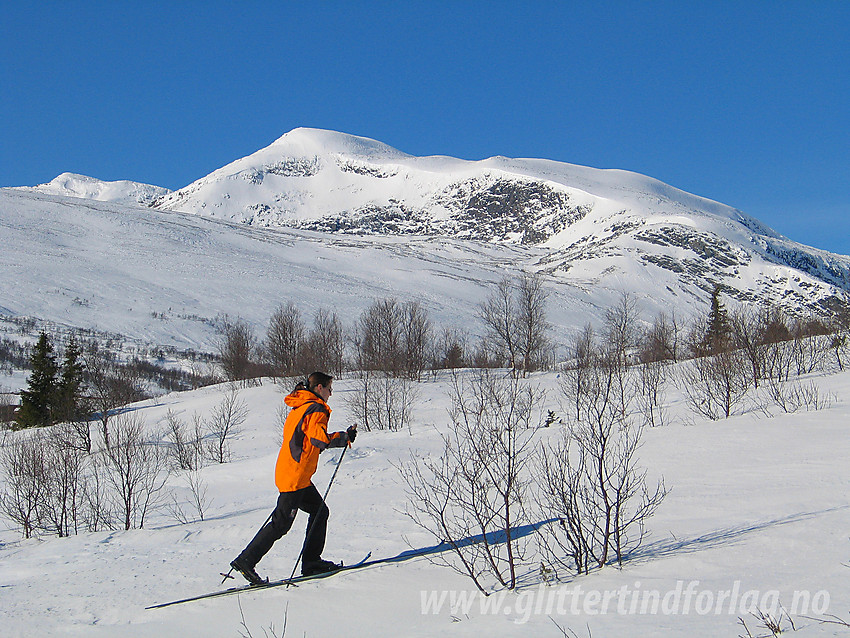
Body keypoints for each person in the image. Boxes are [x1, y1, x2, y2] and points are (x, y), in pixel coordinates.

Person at [230, 372, 357, 583]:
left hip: (295, 473)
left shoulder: (301, 406)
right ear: (319, 388)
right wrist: (343, 437)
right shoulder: (316, 408)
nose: (330, 393)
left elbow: (307, 441)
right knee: (281, 524)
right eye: (329, 388)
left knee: (319, 512)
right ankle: (247, 561)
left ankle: (311, 563)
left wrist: (339, 439)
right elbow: (319, 439)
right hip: (295, 477)